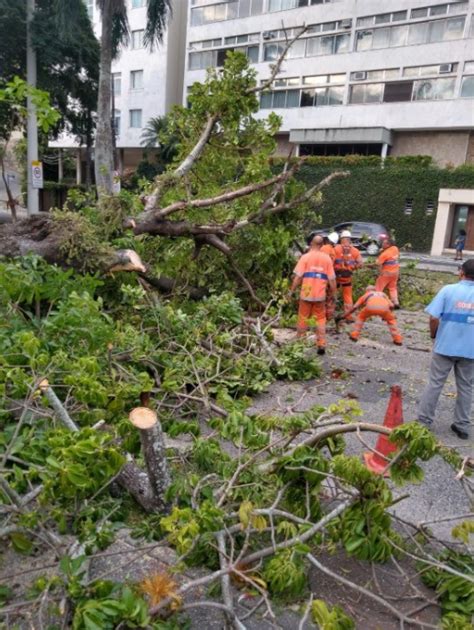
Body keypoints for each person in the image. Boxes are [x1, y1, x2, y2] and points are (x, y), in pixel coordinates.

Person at [417, 259, 474, 440]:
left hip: (445, 347)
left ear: (461, 272)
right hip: (470, 350)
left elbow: (434, 318)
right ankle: (462, 426)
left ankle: (424, 422)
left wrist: (434, 334)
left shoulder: (448, 290)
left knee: (435, 384)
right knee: (466, 387)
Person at [289, 235, 336, 355]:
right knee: (320, 319)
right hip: (320, 296)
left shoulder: (305, 257)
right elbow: (332, 280)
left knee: (303, 318)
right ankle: (321, 343)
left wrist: (291, 291)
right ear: (321, 245)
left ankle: (300, 343)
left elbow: (298, 277)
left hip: (306, 294)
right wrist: (334, 295)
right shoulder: (327, 259)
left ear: (311, 244)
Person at [333, 230, 363, 320]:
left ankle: (330, 314)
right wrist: (354, 267)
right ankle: (348, 315)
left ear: (341, 239)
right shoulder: (355, 251)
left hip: (336, 277)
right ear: (350, 240)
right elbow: (360, 264)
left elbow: (330, 262)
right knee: (348, 296)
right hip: (347, 277)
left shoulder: (335, 249)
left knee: (333, 295)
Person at [375, 238, 400, 309]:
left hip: (386, 273)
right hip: (395, 272)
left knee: (378, 288)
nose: (382, 244)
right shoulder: (395, 248)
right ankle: (395, 302)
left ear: (388, 244)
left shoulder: (384, 254)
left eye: (383, 243)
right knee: (393, 288)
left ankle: (378, 303)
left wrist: (380, 273)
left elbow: (378, 264)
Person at [321, 232, 339, 321]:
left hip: (321, 275)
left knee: (321, 296)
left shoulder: (323, 248)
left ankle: (320, 316)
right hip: (330, 275)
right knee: (329, 297)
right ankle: (328, 316)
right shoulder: (333, 251)